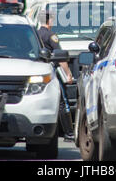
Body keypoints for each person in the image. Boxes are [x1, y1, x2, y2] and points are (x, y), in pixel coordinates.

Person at [37, 10, 75, 142]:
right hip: (51, 72)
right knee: (62, 102)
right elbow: (61, 58)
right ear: (50, 21)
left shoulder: (35, 34)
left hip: (37, 74)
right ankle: (69, 133)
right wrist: (68, 74)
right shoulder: (51, 35)